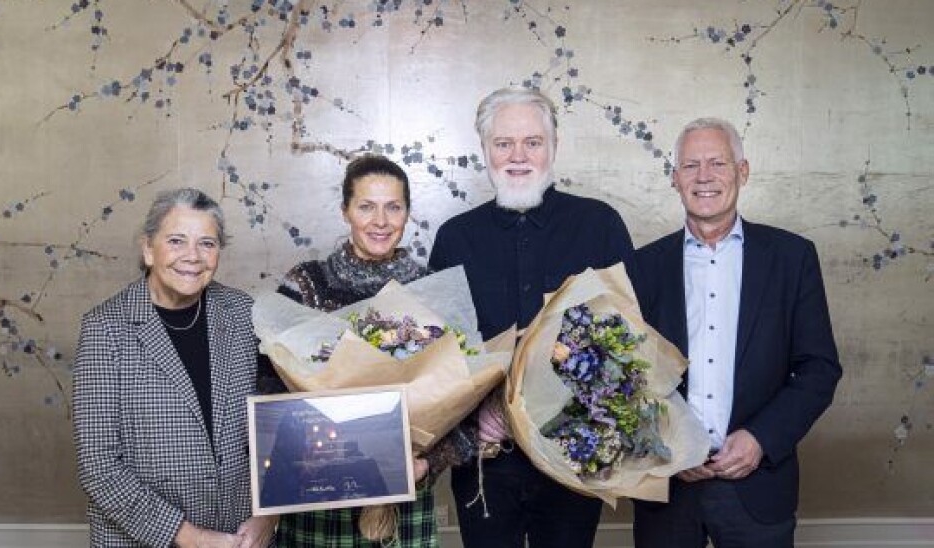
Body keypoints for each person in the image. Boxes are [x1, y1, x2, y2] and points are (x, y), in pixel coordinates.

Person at [428, 86, 637, 548]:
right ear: (485, 150)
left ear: (554, 146)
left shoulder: (600, 225)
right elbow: (436, 358)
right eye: (504, 143)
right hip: (484, 461)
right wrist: (472, 415)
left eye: (533, 142)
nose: (517, 155)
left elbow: (630, 344)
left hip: (572, 460)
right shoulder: (455, 239)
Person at [631, 118, 843, 548]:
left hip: (759, 487)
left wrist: (762, 438)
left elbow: (819, 369)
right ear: (674, 180)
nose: (704, 177)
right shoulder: (640, 267)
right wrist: (668, 445)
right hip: (666, 489)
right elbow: (621, 379)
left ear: (742, 172)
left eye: (717, 163)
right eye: (690, 166)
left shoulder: (792, 257)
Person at [259, 154, 476, 548]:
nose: (381, 221)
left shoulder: (432, 292)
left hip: (405, 497)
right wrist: (311, 448)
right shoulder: (306, 286)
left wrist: (427, 463)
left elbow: (465, 398)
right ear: (346, 211)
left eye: (393, 207)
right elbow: (267, 384)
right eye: (366, 206)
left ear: (407, 213)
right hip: (316, 496)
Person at [72, 188, 277, 547]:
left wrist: (268, 515)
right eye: (177, 241)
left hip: (240, 534)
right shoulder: (105, 329)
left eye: (207, 244)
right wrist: (191, 537)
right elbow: (99, 466)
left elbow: (276, 424)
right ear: (149, 249)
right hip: (141, 538)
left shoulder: (243, 313)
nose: (193, 257)